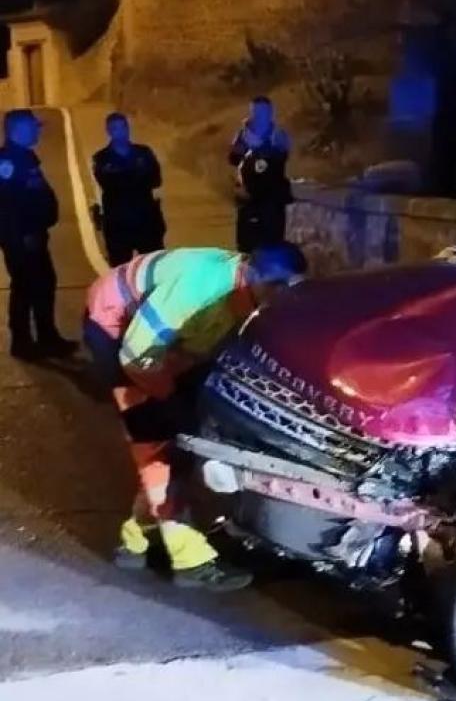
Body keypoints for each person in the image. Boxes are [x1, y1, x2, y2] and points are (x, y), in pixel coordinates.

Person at [84, 243, 309, 591]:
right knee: (157, 444)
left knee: (179, 439)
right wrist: (167, 398)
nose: (284, 298)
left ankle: (135, 541)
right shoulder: (200, 289)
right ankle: (191, 561)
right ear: (254, 276)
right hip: (117, 330)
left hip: (168, 341)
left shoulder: (249, 291)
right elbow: (137, 354)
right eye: (279, 288)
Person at [0, 109, 77, 360]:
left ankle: (47, 337)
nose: (38, 131)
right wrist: (19, 236)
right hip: (21, 238)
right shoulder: (7, 162)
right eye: (34, 126)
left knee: (43, 284)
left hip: (33, 235)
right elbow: (7, 205)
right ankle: (22, 343)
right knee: (25, 287)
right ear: (18, 130)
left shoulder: (25, 156)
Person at [92, 112, 167, 266]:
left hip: (146, 221)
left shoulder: (144, 153)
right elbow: (109, 184)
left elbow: (156, 179)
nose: (121, 132)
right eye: (115, 128)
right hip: (118, 224)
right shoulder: (101, 158)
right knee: (120, 271)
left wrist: (126, 176)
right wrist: (137, 176)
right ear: (109, 131)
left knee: (153, 268)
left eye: (123, 127)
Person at [227, 97, 293, 252]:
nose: (261, 115)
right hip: (248, 198)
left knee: (273, 243)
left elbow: (282, 158)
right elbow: (233, 158)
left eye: (264, 112)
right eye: (257, 111)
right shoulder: (242, 135)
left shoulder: (278, 135)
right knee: (246, 245)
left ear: (271, 113)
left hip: (272, 200)